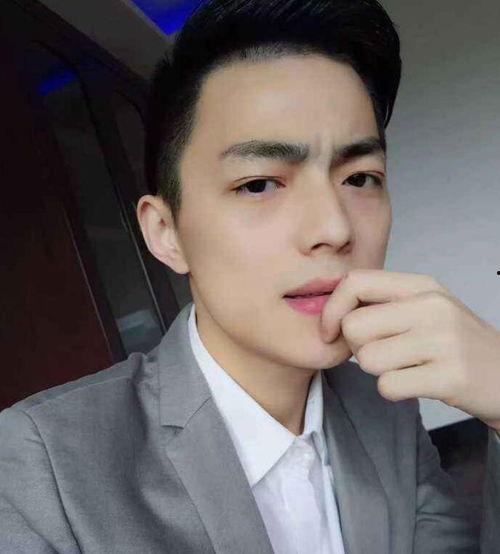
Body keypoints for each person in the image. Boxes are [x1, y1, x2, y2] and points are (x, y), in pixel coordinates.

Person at [1, 0, 500, 552]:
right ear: (167, 232)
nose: (334, 229)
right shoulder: (41, 464)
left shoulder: (386, 403)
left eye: (360, 178)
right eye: (259, 184)